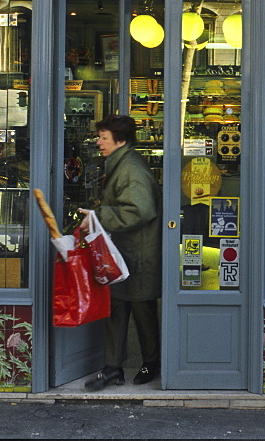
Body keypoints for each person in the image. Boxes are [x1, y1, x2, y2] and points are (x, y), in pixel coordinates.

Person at [83, 115, 162, 391]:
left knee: (142, 312)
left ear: (121, 140)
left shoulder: (131, 169)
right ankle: (113, 368)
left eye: (103, 137)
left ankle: (149, 365)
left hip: (138, 253)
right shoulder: (123, 164)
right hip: (124, 252)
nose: (98, 142)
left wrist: (100, 215)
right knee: (117, 309)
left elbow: (141, 210)